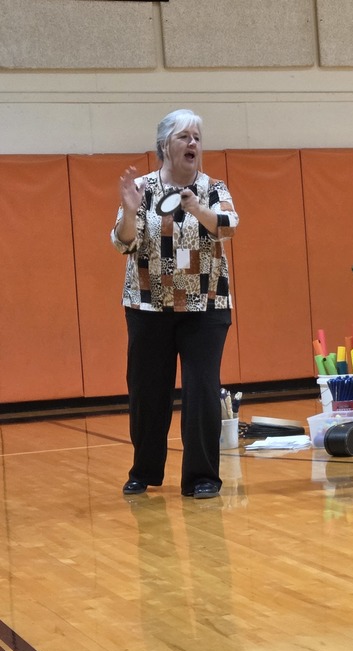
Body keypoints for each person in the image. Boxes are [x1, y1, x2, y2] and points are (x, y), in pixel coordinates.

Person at [112, 109, 239, 499]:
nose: (193, 144)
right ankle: (144, 471)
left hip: (207, 306)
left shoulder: (213, 188)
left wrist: (197, 208)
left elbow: (230, 225)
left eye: (197, 137)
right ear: (165, 145)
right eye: (185, 137)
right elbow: (123, 242)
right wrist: (131, 211)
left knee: (202, 390)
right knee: (148, 391)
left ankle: (202, 477)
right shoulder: (143, 188)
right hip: (148, 305)